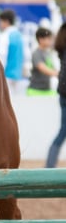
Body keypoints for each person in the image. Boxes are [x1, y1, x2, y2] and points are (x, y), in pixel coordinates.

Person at [46, 23, 66, 167]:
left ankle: (49, 165)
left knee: (62, 131)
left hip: (63, 93)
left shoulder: (61, 48)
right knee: (62, 132)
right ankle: (49, 166)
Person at [0, 9, 24, 93]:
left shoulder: (4, 35)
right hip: (18, 75)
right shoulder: (19, 35)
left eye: (0, 22)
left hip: (6, 75)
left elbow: (2, 55)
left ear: (6, 21)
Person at [27, 27, 58, 96]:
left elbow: (53, 69)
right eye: (49, 39)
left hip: (47, 90)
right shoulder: (36, 53)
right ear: (41, 39)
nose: (51, 41)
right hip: (35, 91)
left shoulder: (48, 53)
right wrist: (61, 75)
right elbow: (44, 69)